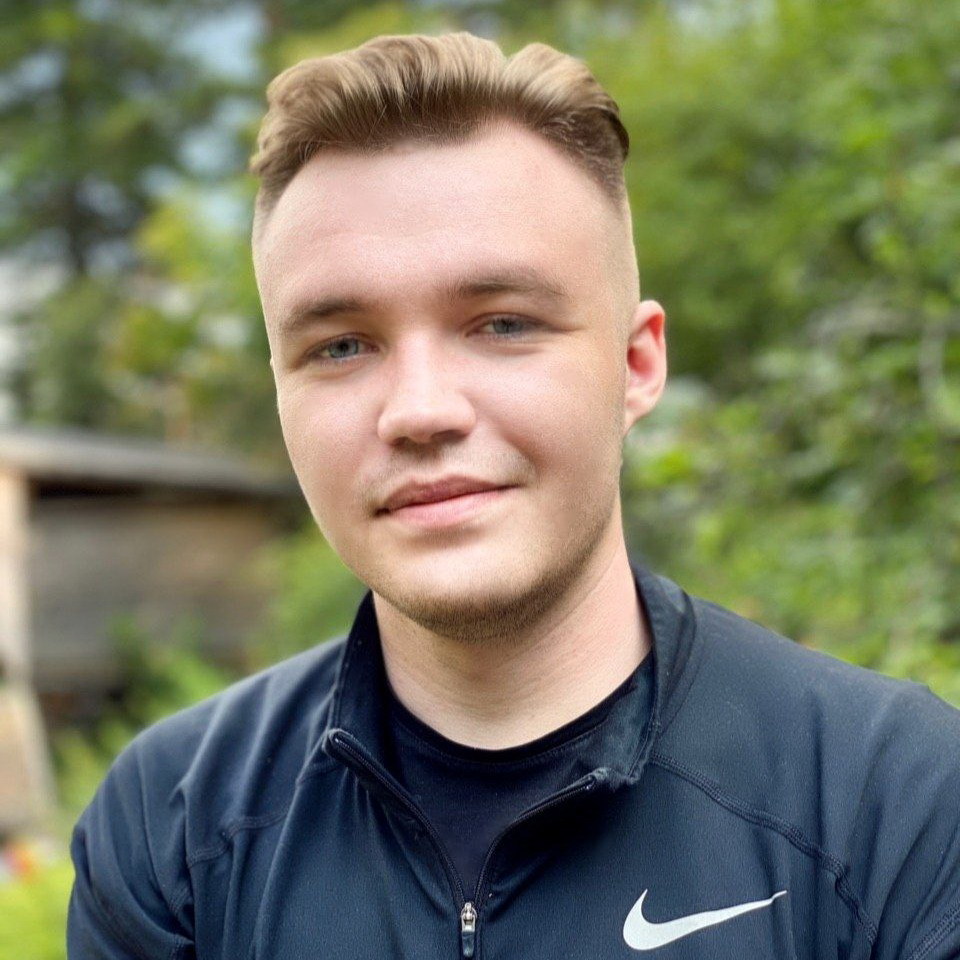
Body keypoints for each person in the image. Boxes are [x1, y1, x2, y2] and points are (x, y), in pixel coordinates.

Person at [67, 31, 960, 960]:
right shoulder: (173, 829)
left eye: (501, 325)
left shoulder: (898, 806)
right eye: (341, 346)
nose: (420, 411)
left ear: (635, 364)